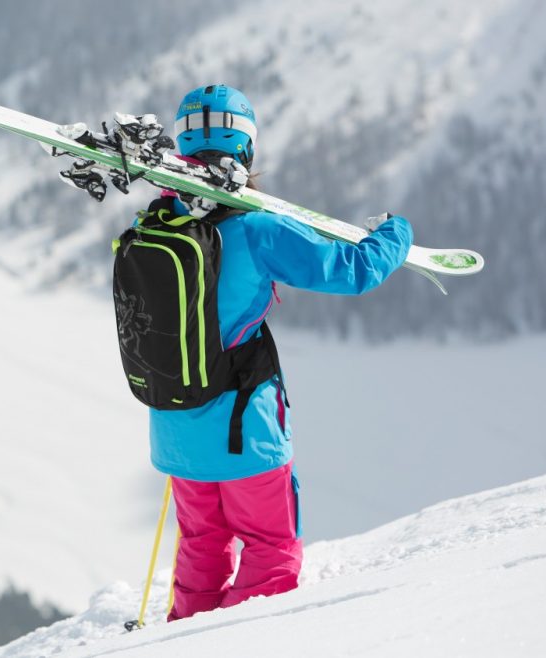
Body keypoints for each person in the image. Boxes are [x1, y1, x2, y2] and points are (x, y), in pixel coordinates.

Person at [146, 84, 413, 621]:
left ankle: (180, 639)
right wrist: (396, 233)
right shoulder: (257, 230)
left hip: (175, 426)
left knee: (201, 544)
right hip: (246, 433)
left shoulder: (155, 220)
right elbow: (353, 271)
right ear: (246, 147)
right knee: (270, 552)